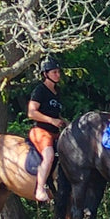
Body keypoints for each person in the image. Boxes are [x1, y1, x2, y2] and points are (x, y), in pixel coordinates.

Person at [27, 55, 66, 203]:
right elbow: (31, 113)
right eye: (54, 72)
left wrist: (64, 122)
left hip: (56, 132)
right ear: (45, 74)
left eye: (58, 72)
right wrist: (51, 120)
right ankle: (40, 189)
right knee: (49, 155)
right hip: (41, 131)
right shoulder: (40, 91)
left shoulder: (58, 91)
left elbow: (57, 114)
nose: (58, 75)